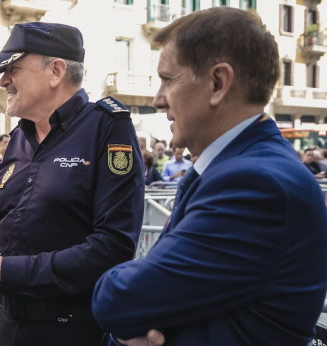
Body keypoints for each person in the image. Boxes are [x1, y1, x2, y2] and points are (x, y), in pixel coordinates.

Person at [92, 7, 327, 345]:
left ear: (218, 83)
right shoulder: (238, 169)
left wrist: (117, 287)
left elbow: (120, 299)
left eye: (168, 79)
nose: (158, 100)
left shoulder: (256, 184)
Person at [0, 22, 144, 345]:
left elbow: (112, 247)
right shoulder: (17, 139)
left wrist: (2, 268)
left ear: (55, 71)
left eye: (13, 68)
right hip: (8, 325)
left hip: (71, 331)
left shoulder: (107, 129)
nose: (4, 80)